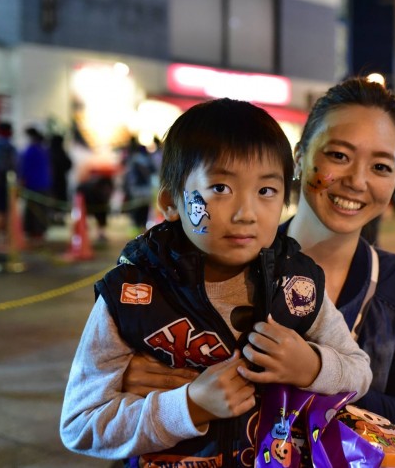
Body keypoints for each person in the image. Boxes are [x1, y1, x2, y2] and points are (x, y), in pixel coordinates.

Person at [123, 78, 395, 445]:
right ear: (300, 158)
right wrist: (142, 387)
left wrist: (310, 371)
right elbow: (106, 415)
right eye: (338, 155)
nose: (357, 181)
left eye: (381, 167)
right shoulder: (201, 264)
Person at [60, 98, 372, 466]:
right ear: (171, 202)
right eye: (220, 188)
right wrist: (188, 406)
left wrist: (312, 367)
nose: (246, 214)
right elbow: (80, 423)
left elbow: (359, 372)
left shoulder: (296, 286)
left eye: (266, 191)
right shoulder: (131, 296)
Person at [19, 127, 52, 241]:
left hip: (33, 185)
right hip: (44, 184)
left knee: (33, 210)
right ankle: (39, 231)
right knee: (41, 209)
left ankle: (34, 231)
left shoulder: (30, 151)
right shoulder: (43, 150)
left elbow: (24, 169)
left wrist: (22, 182)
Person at [122, 136, 157, 233]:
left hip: (136, 189)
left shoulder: (133, 160)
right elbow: (154, 171)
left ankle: (136, 228)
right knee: (144, 209)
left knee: (136, 209)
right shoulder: (149, 160)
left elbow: (129, 176)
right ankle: (142, 228)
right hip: (146, 189)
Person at [48, 134, 73, 224]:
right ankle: (57, 219)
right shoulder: (59, 152)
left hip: (53, 182)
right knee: (57, 201)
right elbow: (69, 164)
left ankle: (55, 219)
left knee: (55, 201)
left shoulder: (49, 151)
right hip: (58, 182)